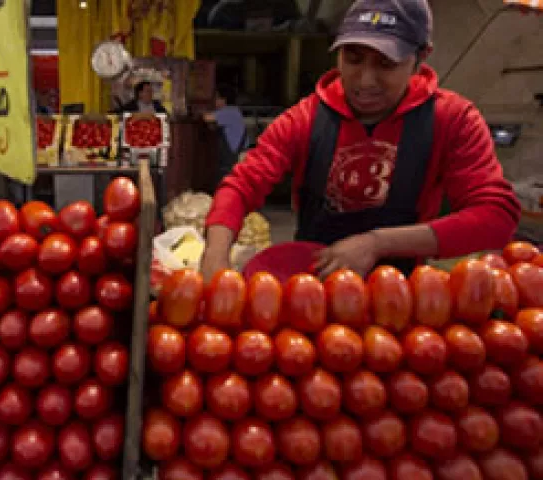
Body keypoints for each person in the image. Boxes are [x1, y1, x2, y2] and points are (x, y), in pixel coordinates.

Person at [200, 0, 521, 281]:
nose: (366, 80)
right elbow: (241, 186)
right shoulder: (306, 118)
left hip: (403, 293)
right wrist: (215, 255)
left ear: (421, 56)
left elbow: (496, 216)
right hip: (311, 286)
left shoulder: (453, 119)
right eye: (353, 59)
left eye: (386, 63)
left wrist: (378, 243)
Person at [203, 84, 248, 186]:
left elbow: (206, 118)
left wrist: (200, 111)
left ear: (223, 99)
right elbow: (213, 126)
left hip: (230, 163)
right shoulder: (234, 112)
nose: (215, 101)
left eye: (216, 98)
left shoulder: (229, 112)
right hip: (232, 161)